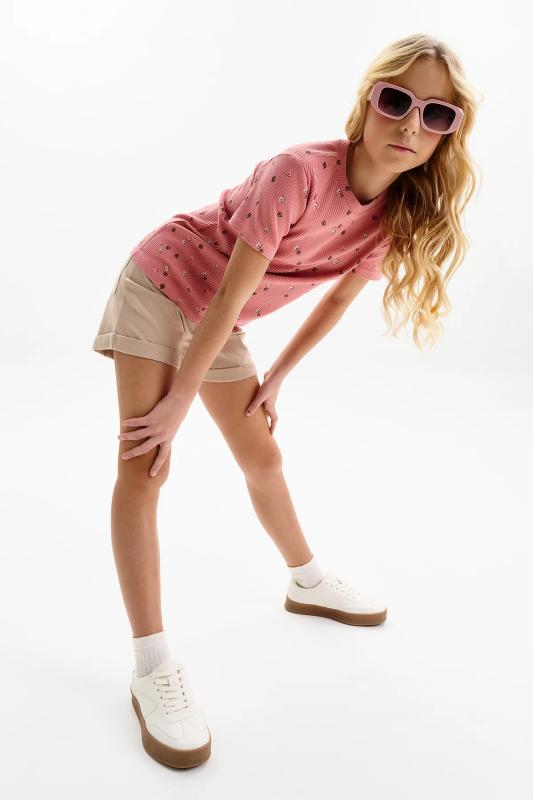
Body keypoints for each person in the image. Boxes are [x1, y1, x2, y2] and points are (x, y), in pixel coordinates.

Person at [91, 33, 481, 769]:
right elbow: (229, 291)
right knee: (145, 464)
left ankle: (306, 581)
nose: (410, 124)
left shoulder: (395, 213)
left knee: (262, 456)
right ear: (366, 102)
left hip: (219, 319)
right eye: (396, 101)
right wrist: (177, 404)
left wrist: (275, 376)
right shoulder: (295, 173)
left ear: (447, 134)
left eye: (435, 114)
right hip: (163, 285)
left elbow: (334, 302)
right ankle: (152, 667)